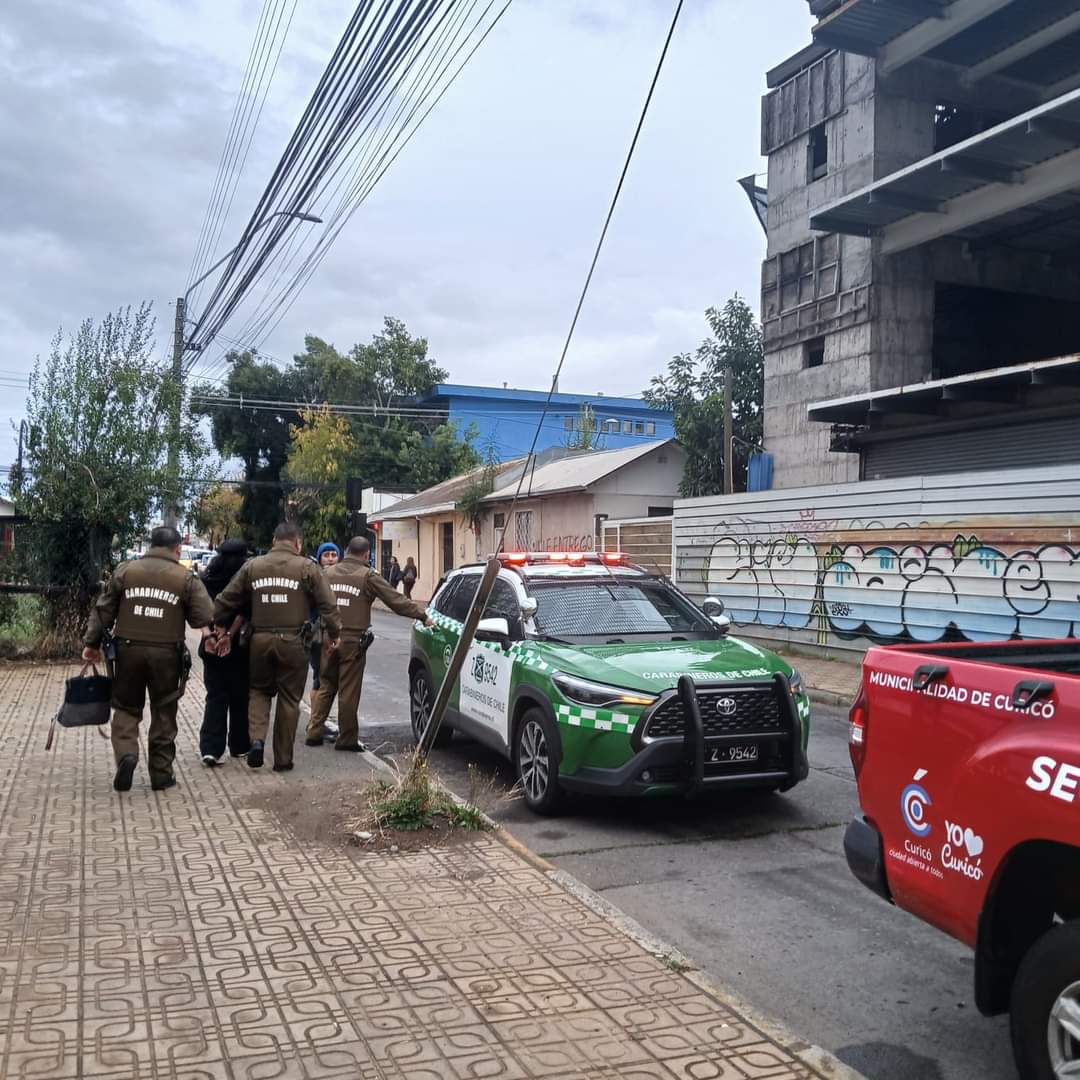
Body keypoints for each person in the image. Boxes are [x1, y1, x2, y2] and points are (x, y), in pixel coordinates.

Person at [82, 525, 214, 793]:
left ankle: (127, 755)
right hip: (167, 654)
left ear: (150, 545)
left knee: (126, 708)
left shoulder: (125, 571)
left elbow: (103, 611)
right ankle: (161, 775)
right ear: (178, 549)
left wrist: (91, 644)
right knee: (164, 711)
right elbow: (204, 615)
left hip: (127, 651)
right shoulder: (185, 578)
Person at [212, 522, 341, 772]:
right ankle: (282, 759)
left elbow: (226, 600)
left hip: (259, 641)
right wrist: (334, 632)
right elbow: (328, 604)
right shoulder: (307, 567)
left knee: (259, 691)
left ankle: (257, 740)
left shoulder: (253, 566)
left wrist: (214, 625)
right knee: (289, 699)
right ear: (298, 543)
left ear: (273, 541)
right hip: (294, 642)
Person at [306, 536, 432, 752]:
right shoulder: (368, 576)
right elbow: (396, 600)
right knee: (348, 690)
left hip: (328, 636)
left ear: (346, 551)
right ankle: (346, 739)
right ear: (366, 555)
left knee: (327, 683)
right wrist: (423, 615)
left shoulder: (327, 573)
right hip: (352, 640)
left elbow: (309, 600)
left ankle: (314, 731)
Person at [198, 539, 252, 766]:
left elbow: (199, 612)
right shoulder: (245, 581)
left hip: (210, 646)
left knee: (215, 696)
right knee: (240, 697)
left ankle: (211, 748)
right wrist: (228, 635)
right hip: (238, 646)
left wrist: (211, 634)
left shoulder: (205, 580)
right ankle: (239, 746)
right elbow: (245, 611)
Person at [309, 542, 340, 692]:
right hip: (318, 635)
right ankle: (316, 713)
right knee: (319, 677)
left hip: (337, 635)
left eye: (334, 555)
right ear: (319, 558)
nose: (330, 559)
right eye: (326, 555)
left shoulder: (343, 578)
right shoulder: (312, 576)